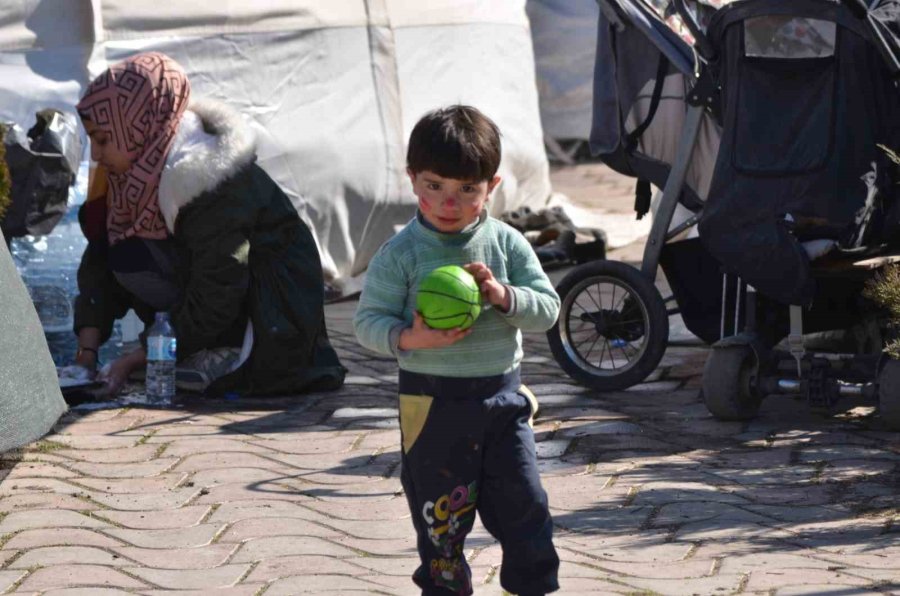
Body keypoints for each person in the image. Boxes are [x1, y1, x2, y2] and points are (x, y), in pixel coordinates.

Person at [353, 105, 561, 595]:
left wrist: (504, 296)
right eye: (435, 185)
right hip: (431, 407)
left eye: (468, 189)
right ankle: (445, 585)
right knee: (440, 521)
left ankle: (533, 585)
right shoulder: (400, 254)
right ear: (412, 180)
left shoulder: (506, 244)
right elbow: (367, 323)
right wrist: (411, 338)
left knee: (526, 505)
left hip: (502, 401)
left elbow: (548, 309)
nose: (450, 202)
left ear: (492, 186)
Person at [68, 51, 345, 397]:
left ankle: (227, 352)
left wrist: (139, 358)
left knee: (141, 256)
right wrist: (86, 355)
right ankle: (192, 348)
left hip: (274, 315)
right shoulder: (130, 180)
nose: (95, 155)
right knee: (126, 251)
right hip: (218, 303)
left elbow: (220, 285)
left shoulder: (206, 176)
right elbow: (100, 262)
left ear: (138, 124)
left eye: (103, 139)